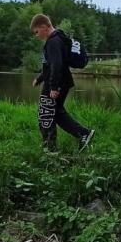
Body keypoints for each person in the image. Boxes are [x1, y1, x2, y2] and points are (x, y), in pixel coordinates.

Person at [31, 13, 95, 153]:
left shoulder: (53, 42)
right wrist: (40, 78)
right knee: (56, 112)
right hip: (62, 81)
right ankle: (83, 134)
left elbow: (57, 65)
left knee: (46, 112)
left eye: (36, 32)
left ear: (44, 26)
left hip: (56, 83)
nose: (36, 35)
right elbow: (51, 65)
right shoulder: (58, 38)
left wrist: (54, 87)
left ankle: (50, 148)